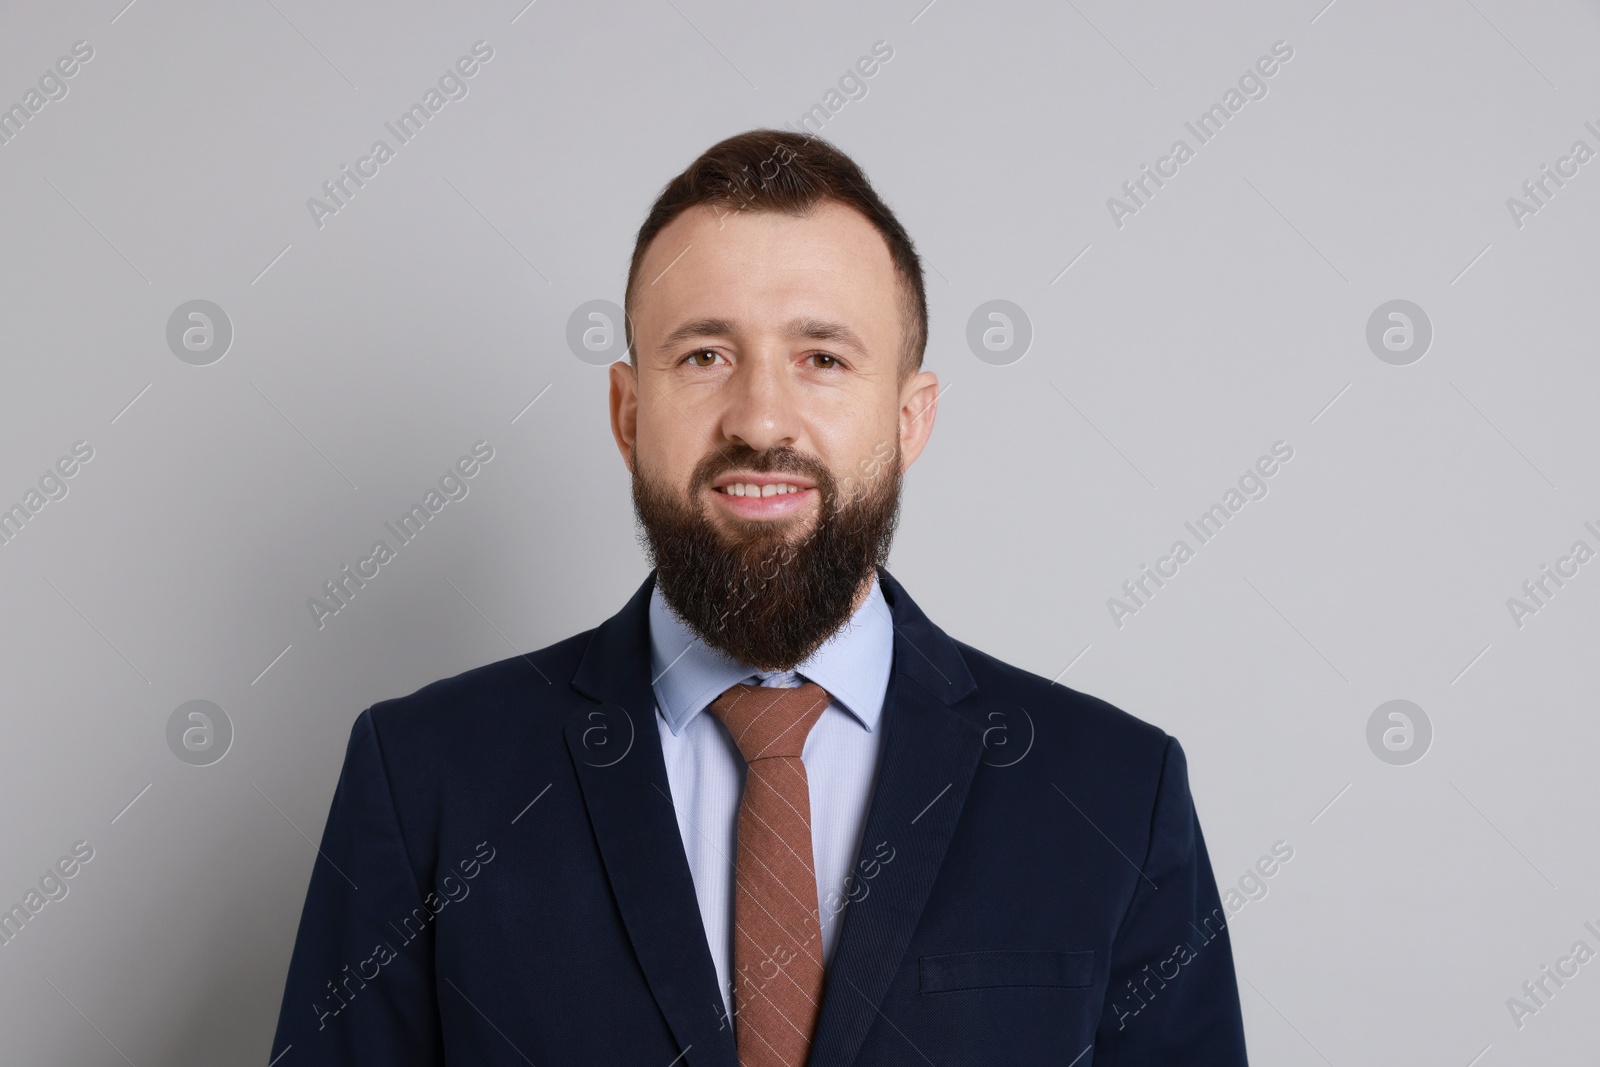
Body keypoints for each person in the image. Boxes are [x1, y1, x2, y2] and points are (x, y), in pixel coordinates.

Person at [269, 129, 1248, 1066]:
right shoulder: (426, 779)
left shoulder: (1113, 794)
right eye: (704, 354)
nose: (760, 417)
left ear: (909, 419)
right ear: (627, 411)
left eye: (821, 356)